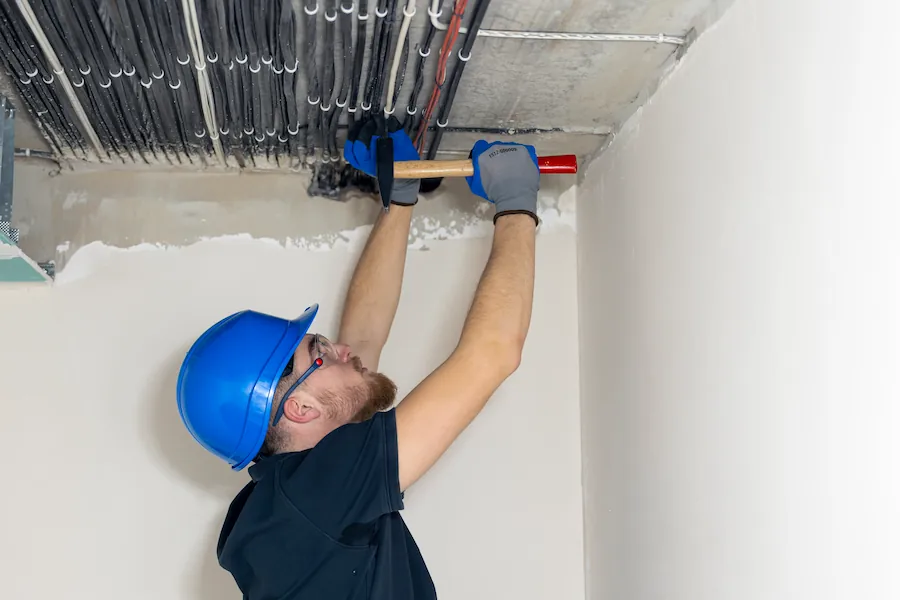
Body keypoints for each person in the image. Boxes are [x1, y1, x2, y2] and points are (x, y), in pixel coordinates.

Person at [176, 119, 540, 600]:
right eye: (320, 352)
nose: (342, 350)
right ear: (300, 409)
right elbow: (491, 354)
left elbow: (360, 344)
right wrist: (515, 205)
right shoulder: (315, 495)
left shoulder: (291, 504)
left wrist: (400, 198)